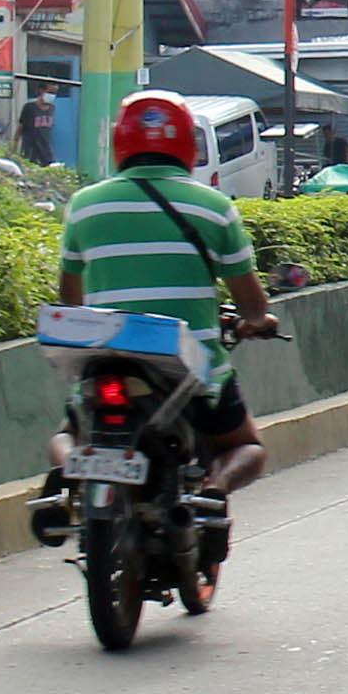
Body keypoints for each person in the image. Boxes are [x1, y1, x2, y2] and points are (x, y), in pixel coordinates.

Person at [33, 89, 282, 549]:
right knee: (247, 444)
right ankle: (210, 493)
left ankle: (62, 479)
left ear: (120, 142)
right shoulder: (213, 207)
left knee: (70, 430)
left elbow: (72, 304)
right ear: (187, 144)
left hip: (104, 359)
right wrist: (258, 320)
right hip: (187, 367)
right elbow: (250, 307)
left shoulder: (84, 205)